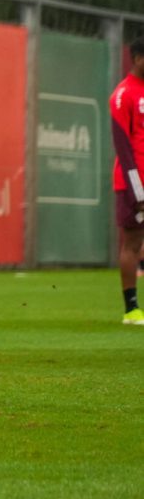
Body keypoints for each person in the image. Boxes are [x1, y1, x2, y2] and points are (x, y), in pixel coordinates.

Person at [111, 34, 144, 325]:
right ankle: (131, 309)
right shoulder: (123, 94)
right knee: (132, 242)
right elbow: (123, 148)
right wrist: (137, 191)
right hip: (134, 184)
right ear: (137, 58)